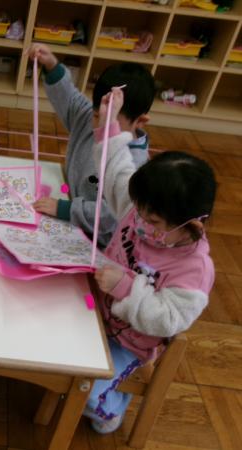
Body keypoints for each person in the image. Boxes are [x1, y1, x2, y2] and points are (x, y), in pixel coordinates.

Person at [86, 87, 216, 433]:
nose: (140, 223)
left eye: (153, 221)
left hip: (129, 345)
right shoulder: (143, 209)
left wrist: (126, 288)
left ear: (193, 226)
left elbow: (168, 320)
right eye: (139, 213)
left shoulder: (195, 270)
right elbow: (115, 169)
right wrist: (109, 122)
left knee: (87, 393)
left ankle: (111, 411)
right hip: (91, 312)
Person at [28, 43, 155, 247]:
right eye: (97, 115)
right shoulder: (90, 118)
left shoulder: (137, 166)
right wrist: (51, 65)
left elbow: (111, 215)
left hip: (99, 240)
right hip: (68, 211)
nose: (99, 124)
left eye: (111, 120)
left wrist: (65, 209)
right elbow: (69, 99)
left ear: (140, 121)